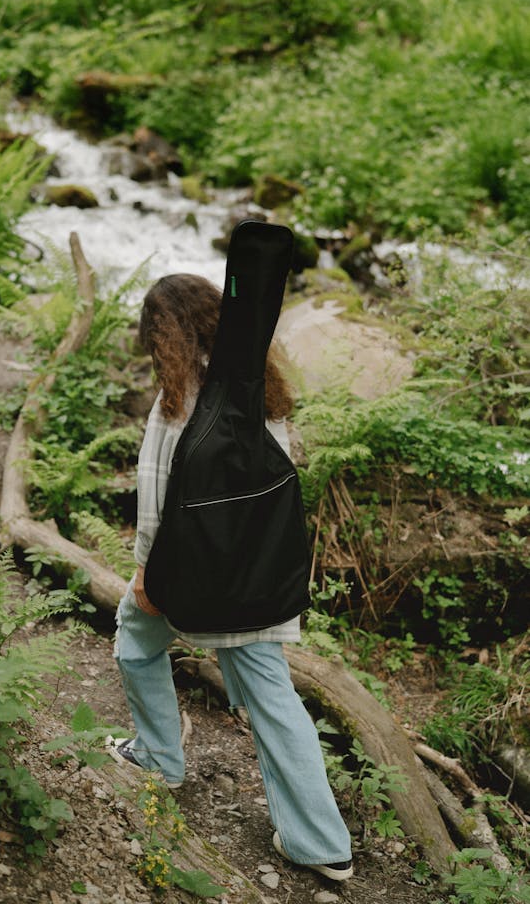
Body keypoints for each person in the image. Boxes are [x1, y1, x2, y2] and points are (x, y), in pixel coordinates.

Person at [109, 273, 353, 882]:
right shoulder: (258, 393)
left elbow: (155, 493)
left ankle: (159, 760)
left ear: (164, 334)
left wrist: (144, 568)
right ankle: (321, 843)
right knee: (274, 697)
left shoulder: (178, 400)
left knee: (136, 643)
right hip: (256, 576)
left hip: (191, 574)